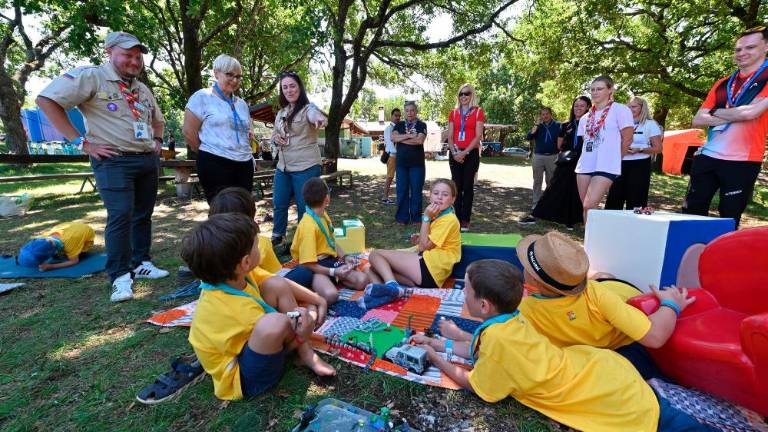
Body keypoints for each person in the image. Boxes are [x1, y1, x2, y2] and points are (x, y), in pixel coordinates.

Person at [411, 259, 715, 432]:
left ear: (484, 305)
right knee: (669, 416)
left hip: (606, 399)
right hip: (603, 371)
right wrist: (437, 343)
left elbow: (476, 384)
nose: (462, 294)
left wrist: (434, 359)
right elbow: (477, 349)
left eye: (466, 290)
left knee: (665, 422)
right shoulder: (513, 319)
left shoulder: (505, 335)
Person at [36, 31, 169, 303]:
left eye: (137, 57)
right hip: (113, 160)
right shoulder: (91, 76)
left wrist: (156, 141)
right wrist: (82, 144)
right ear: (109, 52)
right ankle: (120, 276)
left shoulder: (142, 88)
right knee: (120, 215)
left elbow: (158, 120)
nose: (134, 61)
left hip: (145, 159)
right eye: (127, 55)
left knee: (143, 214)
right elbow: (46, 101)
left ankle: (141, 261)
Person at [183, 213, 335, 401]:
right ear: (245, 262)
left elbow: (280, 283)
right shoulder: (234, 309)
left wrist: (316, 301)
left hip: (247, 344)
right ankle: (301, 349)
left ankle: (305, 354)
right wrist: (303, 331)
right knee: (274, 324)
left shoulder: (237, 275)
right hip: (243, 377)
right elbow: (280, 337)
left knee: (275, 284)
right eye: (257, 245)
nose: (260, 247)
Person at [510, 231, 693, 380]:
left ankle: (601, 275)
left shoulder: (524, 311)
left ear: (533, 279)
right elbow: (653, 335)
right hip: (617, 306)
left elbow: (655, 337)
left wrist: (671, 304)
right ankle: (600, 275)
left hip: (627, 306)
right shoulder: (595, 294)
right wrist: (670, 303)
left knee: (605, 277)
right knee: (605, 278)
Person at [685, 26, 768, 228]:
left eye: (750, 47)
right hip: (708, 156)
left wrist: (714, 112)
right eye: (738, 49)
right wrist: (735, 114)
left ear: (766, 47)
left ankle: (720, 258)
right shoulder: (723, 83)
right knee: (690, 211)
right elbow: (698, 119)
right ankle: (688, 256)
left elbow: (750, 113)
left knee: (729, 217)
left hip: (743, 161)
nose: (742, 53)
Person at [208, 187, 325, 322]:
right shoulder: (255, 249)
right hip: (259, 313)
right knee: (303, 273)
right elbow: (278, 277)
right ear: (246, 261)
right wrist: (311, 309)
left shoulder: (214, 259)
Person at [183, 54, 254, 203]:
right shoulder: (202, 97)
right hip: (215, 163)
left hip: (244, 163)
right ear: (216, 72)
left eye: (238, 76)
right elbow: (189, 133)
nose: (235, 80)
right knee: (222, 211)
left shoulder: (241, 104)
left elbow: (247, 131)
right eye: (229, 74)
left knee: (245, 209)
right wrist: (208, 153)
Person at [367, 179, 461, 291]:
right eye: (436, 193)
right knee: (375, 268)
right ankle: (381, 291)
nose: (439, 197)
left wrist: (426, 218)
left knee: (375, 255)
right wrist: (420, 238)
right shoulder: (440, 215)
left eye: (445, 194)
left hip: (431, 267)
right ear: (430, 196)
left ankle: (392, 287)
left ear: (453, 199)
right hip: (431, 276)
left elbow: (423, 247)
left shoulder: (449, 219)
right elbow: (429, 242)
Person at [270, 72, 327, 246]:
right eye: (285, 87)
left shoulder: (308, 108)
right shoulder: (281, 113)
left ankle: (305, 241)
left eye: (292, 86)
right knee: (279, 203)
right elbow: (274, 135)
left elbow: (316, 115)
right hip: (283, 167)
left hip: (306, 166)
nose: (289, 90)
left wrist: (320, 119)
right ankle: (277, 237)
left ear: (300, 88)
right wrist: (275, 139)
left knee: (305, 208)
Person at [290, 177, 369, 303]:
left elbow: (331, 242)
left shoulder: (322, 214)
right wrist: (334, 272)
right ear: (326, 198)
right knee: (331, 296)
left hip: (330, 261)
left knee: (363, 281)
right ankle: (317, 283)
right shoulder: (308, 226)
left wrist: (345, 257)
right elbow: (308, 264)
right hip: (315, 268)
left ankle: (336, 278)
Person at [575, 76, 634, 223]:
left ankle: (595, 240)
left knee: (590, 204)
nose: (595, 92)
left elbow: (627, 139)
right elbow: (585, 142)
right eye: (592, 89)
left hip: (607, 165)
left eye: (599, 89)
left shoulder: (620, 110)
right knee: (586, 206)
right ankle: (590, 241)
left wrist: (616, 160)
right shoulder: (585, 118)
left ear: (610, 90)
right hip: (585, 165)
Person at [531, 96, 591, 229]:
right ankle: (549, 215)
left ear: (588, 107)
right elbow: (560, 144)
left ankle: (576, 219)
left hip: (584, 160)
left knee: (578, 190)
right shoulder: (565, 125)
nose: (578, 108)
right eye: (576, 105)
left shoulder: (592, 123)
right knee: (558, 187)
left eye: (582, 106)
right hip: (567, 160)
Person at [606, 96, 663, 210]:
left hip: (640, 165)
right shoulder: (620, 123)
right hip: (620, 163)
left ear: (642, 108)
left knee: (636, 199)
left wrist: (640, 149)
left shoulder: (650, 124)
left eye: (633, 106)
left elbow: (658, 148)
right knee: (614, 197)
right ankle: (611, 225)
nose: (630, 109)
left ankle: (634, 225)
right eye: (628, 107)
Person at [447, 84, 485, 232]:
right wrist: (456, 152)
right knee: (456, 187)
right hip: (455, 153)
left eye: (467, 94)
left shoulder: (477, 112)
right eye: (461, 94)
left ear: (472, 95)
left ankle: (465, 219)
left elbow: (478, 136)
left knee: (468, 186)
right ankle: (455, 217)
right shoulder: (453, 113)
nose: (463, 96)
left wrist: (465, 152)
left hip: (471, 153)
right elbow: (450, 136)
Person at [519, 107, 560, 225]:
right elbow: (528, 137)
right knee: (537, 181)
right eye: (542, 114)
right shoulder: (538, 126)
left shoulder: (557, 125)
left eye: (547, 114)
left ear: (551, 114)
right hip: (538, 156)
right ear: (540, 116)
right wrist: (536, 124)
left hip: (553, 156)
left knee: (551, 182)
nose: (545, 116)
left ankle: (549, 205)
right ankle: (536, 205)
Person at [391, 101, 427, 225]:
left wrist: (402, 139)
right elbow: (393, 138)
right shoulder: (399, 125)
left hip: (417, 164)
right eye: (407, 111)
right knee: (401, 190)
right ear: (404, 112)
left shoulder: (422, 124)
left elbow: (420, 141)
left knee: (416, 190)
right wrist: (410, 136)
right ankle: (402, 217)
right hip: (401, 164)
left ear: (416, 111)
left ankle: (416, 218)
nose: (409, 113)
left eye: (412, 110)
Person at [17, 222, 95, 271]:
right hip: (71, 226)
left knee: (74, 256)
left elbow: (74, 261)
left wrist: (52, 266)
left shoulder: (69, 244)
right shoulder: (44, 237)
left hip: (85, 231)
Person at [380, 108, 401, 204]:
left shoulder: (398, 127)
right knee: (390, 177)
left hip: (398, 156)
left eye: (399, 116)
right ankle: (385, 197)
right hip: (392, 156)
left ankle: (396, 196)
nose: (398, 117)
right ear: (391, 116)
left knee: (398, 177)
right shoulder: (389, 129)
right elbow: (391, 143)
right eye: (396, 115)